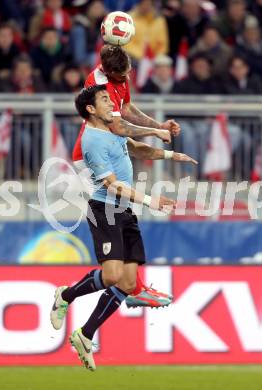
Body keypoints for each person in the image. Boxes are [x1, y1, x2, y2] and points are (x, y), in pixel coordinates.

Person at [50, 85, 197, 370]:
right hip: (105, 209)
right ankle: (64, 295)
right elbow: (113, 186)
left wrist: (171, 156)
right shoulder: (92, 141)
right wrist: (150, 200)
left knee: (129, 283)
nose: (111, 102)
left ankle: (85, 334)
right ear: (90, 109)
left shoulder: (114, 129)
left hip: (125, 210)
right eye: (104, 99)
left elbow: (137, 148)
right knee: (113, 274)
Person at [72, 44, 180, 309]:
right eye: (121, 76)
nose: (126, 79)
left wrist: (158, 125)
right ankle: (130, 289)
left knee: (123, 209)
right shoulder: (100, 88)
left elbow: (128, 108)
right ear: (109, 73)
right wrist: (154, 133)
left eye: (128, 73)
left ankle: (133, 287)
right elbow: (118, 125)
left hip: (112, 146)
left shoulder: (119, 78)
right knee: (113, 199)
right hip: (89, 159)